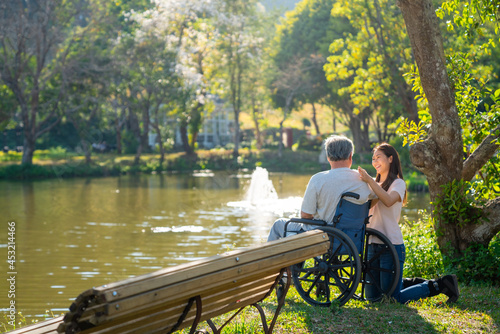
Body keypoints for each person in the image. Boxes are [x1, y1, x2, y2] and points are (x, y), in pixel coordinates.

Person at [357, 143, 459, 304]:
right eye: (373, 158)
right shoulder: (373, 186)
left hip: (391, 245)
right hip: (371, 244)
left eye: (379, 157)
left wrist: (369, 180)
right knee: (373, 298)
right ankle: (410, 282)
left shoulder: (398, 183)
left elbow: (389, 201)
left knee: (392, 298)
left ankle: (440, 285)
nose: (375, 161)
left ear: (390, 159)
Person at [267, 135, 375, 242]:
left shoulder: (318, 179)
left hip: (321, 236)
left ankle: (274, 258)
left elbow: (305, 215)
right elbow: (375, 198)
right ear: (350, 156)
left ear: (328, 157)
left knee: (279, 224)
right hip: (352, 237)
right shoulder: (364, 179)